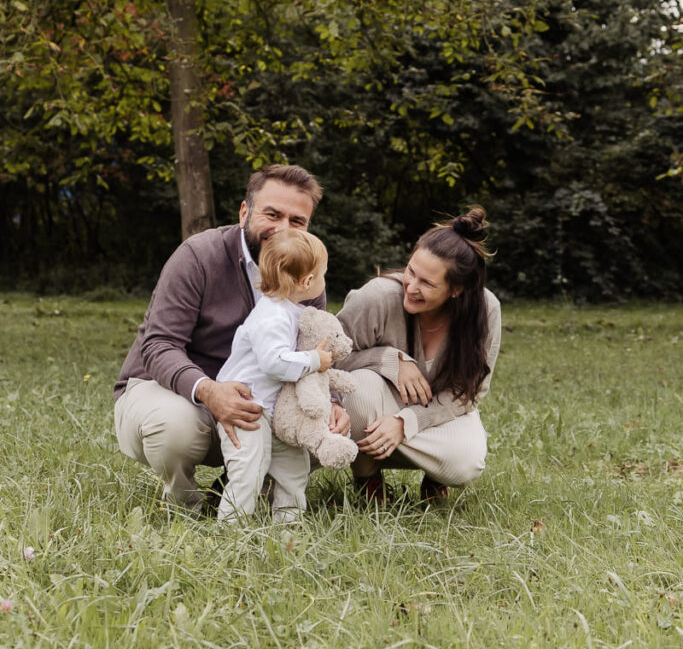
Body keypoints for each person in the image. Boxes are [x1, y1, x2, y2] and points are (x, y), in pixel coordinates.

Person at [113, 163, 350, 513]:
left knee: (323, 425)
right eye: (272, 214)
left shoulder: (305, 270)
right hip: (172, 389)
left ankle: (239, 493)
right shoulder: (198, 255)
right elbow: (159, 346)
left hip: (262, 400)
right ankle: (185, 508)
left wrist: (333, 402)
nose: (283, 229)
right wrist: (209, 391)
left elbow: (311, 347)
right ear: (245, 212)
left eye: (297, 221)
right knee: (173, 428)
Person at [337, 206, 501, 502]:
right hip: (377, 407)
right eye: (411, 272)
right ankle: (367, 479)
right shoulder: (377, 297)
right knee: (357, 390)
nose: (411, 287)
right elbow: (329, 358)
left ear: (456, 290)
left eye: (427, 283)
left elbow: (469, 393)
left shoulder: (486, 311)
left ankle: (435, 478)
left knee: (467, 462)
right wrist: (388, 360)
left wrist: (406, 422)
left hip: (435, 413)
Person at [215, 229, 332, 524]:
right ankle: (230, 528)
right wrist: (314, 360)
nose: (323, 281)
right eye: (322, 275)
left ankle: (288, 524)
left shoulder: (290, 311)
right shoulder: (272, 316)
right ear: (306, 282)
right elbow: (273, 362)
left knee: (294, 466)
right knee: (248, 469)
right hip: (246, 408)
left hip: (272, 411)